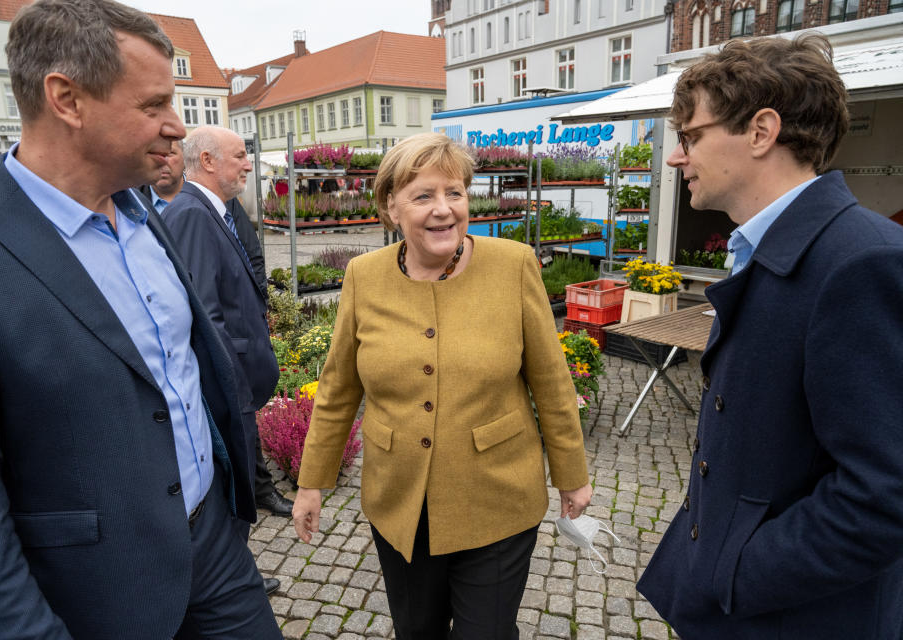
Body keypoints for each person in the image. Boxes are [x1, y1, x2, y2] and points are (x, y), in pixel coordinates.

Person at [0, 1, 283, 638]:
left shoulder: (141, 210)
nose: (178, 128)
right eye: (153, 106)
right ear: (67, 99)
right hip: (102, 589)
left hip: (216, 548)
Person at [637, 34, 903, 639]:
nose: (677, 158)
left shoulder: (862, 263)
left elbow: (883, 495)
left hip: (790, 617)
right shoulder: (771, 247)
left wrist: (735, 571)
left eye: (691, 135)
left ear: (761, 131)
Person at [291, 132, 593, 639]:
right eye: (423, 195)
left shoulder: (513, 264)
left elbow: (551, 381)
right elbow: (339, 388)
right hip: (401, 501)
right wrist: (310, 482)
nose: (444, 210)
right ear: (391, 207)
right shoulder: (364, 277)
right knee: (417, 630)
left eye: (454, 192)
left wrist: (572, 474)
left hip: (497, 495)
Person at [163, 126, 293, 517]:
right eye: (239, 156)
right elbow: (204, 312)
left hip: (236, 380)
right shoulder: (191, 214)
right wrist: (233, 385)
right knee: (227, 492)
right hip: (226, 383)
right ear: (207, 161)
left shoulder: (209, 210)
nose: (249, 165)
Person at [139, 138, 185, 213]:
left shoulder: (202, 197)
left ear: (184, 157)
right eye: (154, 154)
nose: (162, 161)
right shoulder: (131, 200)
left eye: (169, 154)